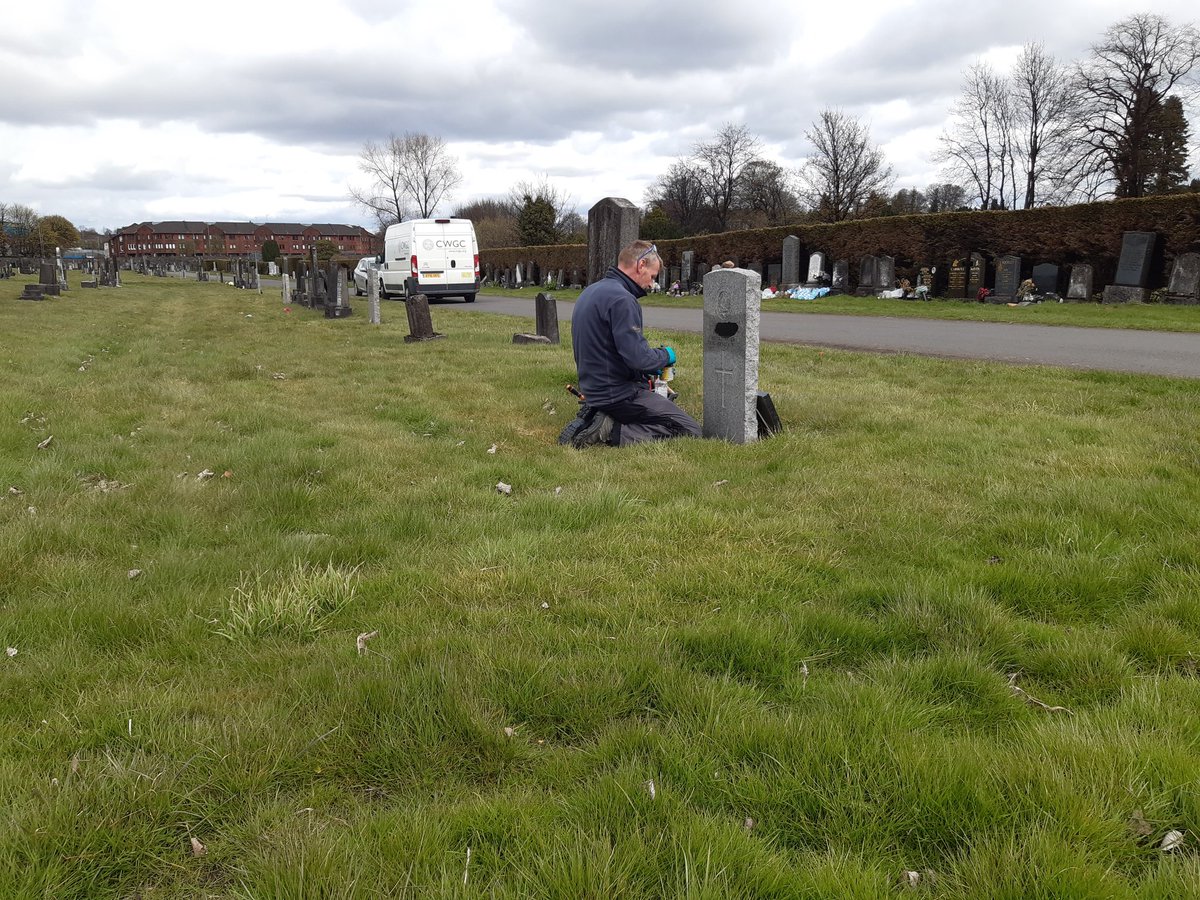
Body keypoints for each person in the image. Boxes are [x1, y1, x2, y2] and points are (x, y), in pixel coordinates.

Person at [562, 241, 701, 448]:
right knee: (689, 429)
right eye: (652, 276)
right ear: (641, 264)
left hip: (593, 389)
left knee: (663, 405)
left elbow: (612, 350)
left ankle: (602, 414)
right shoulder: (622, 299)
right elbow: (639, 359)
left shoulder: (591, 291)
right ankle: (609, 430)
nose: (651, 284)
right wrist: (666, 356)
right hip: (618, 395)